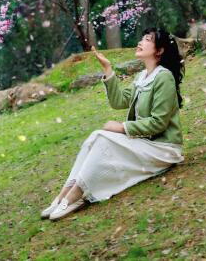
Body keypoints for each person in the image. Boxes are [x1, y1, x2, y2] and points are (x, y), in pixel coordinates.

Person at [41, 27, 185, 221]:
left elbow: (158, 123)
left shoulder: (164, 77)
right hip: (146, 142)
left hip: (163, 148)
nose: (141, 42)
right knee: (95, 137)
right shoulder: (142, 78)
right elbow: (118, 101)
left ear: (159, 51)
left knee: (102, 138)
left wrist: (122, 127)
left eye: (148, 39)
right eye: (142, 37)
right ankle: (63, 195)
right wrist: (108, 69)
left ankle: (76, 196)